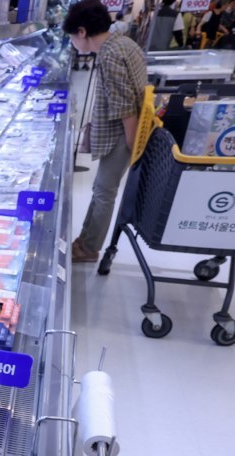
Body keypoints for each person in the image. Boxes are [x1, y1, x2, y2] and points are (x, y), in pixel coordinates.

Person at [65, 0, 148, 263]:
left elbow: (125, 108)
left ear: (82, 32)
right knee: (101, 189)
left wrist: (133, 145)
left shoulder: (110, 55)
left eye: (72, 37)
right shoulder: (124, 43)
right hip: (123, 132)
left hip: (121, 135)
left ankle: (89, 248)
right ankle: (85, 239)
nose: (73, 44)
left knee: (104, 193)